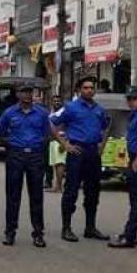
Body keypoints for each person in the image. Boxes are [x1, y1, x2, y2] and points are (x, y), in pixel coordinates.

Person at [51, 76, 111, 242]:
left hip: (93, 153)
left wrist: (102, 146)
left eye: (92, 88)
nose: (89, 90)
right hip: (77, 152)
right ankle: (66, 228)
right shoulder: (70, 107)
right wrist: (65, 144)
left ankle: (90, 227)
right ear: (79, 90)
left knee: (93, 192)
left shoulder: (99, 109)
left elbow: (107, 126)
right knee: (71, 191)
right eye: (85, 88)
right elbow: (51, 122)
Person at [0, 82, 51, 247]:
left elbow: (46, 133)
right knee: (13, 196)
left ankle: (38, 233)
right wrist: (13, 145)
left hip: (35, 156)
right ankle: (10, 232)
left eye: (29, 92)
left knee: (36, 196)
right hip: (16, 156)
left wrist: (38, 145)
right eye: (23, 92)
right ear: (17, 94)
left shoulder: (41, 113)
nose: (27, 95)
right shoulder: (9, 113)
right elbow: (1, 134)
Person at [108, 87, 137, 248]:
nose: (131, 102)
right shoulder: (136, 115)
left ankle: (129, 236)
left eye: (134, 98)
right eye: (129, 99)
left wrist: (136, 162)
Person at [44, 96, 63, 188]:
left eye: (58, 101)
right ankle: (49, 181)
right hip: (50, 140)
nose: (56, 103)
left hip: (59, 140)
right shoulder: (50, 112)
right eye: (54, 101)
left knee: (59, 163)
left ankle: (58, 186)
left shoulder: (63, 113)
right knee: (49, 162)